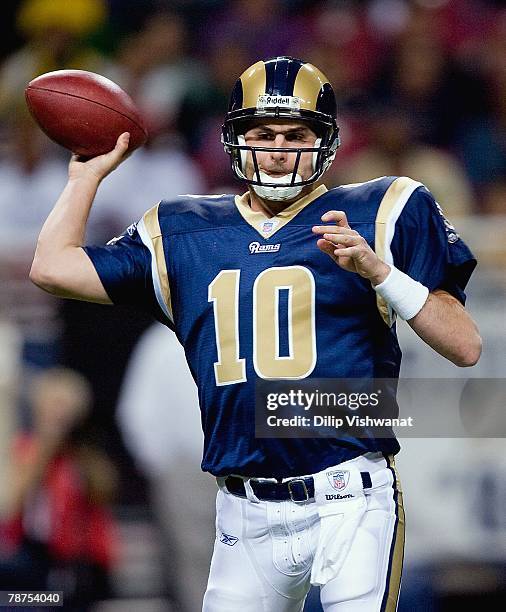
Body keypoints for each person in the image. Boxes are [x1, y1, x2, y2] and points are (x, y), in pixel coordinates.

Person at [30, 57, 482, 611]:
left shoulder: (384, 209)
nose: (278, 149)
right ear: (235, 139)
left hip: (350, 497)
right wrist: (85, 177)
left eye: (297, 134)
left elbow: (465, 345)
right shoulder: (183, 228)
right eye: (262, 133)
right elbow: (52, 267)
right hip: (241, 510)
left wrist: (382, 274)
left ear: (326, 142)